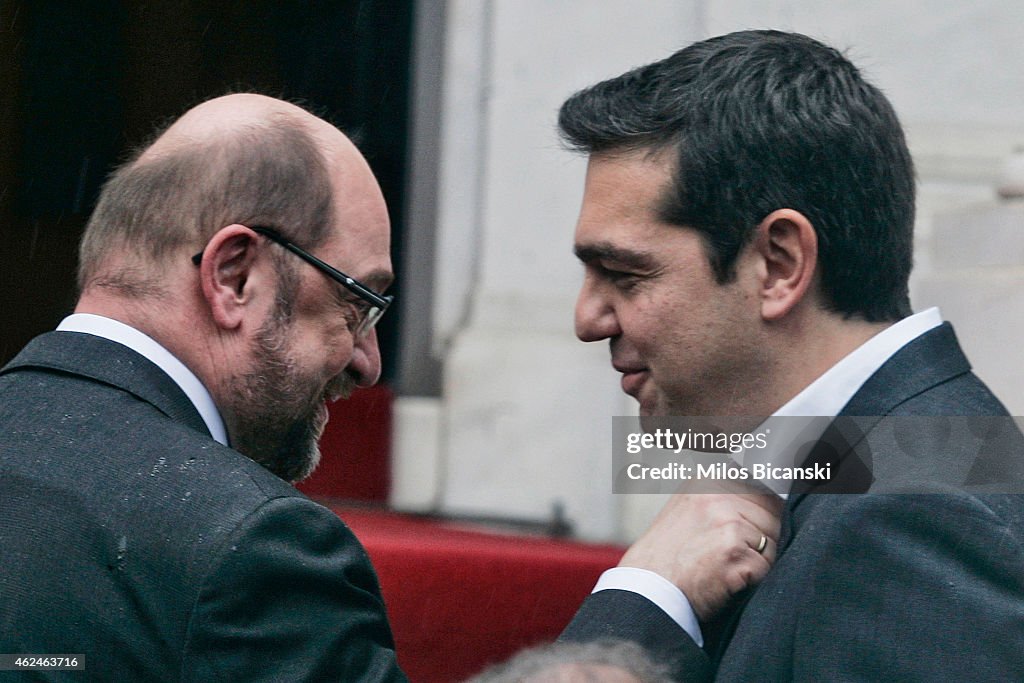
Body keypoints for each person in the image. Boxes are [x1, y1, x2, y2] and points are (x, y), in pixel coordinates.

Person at [0, 93, 772, 680]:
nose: (368, 361)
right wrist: (646, 597)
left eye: (627, 273)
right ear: (233, 275)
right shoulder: (250, 547)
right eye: (356, 300)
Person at [556, 30, 1024, 681]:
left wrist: (642, 596)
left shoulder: (911, 514)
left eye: (625, 274)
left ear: (778, 264)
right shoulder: (890, 469)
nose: (588, 318)